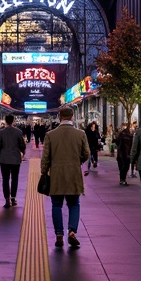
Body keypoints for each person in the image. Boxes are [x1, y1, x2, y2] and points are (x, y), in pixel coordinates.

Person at [40, 105, 90, 249]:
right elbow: (86, 153)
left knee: (56, 205)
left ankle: (59, 234)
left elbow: (45, 157)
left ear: (59, 117)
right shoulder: (80, 134)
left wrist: (44, 173)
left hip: (56, 175)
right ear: (72, 117)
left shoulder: (50, 135)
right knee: (74, 204)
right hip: (74, 174)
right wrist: (77, 161)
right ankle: (72, 231)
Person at [0, 113, 26, 208]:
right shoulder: (19, 132)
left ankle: (7, 200)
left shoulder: (0, 132)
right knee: (15, 178)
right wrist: (22, 152)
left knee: (5, 179)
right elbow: (22, 145)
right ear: (13, 121)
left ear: (5, 120)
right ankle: (13, 198)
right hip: (15, 158)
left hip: (4, 159)